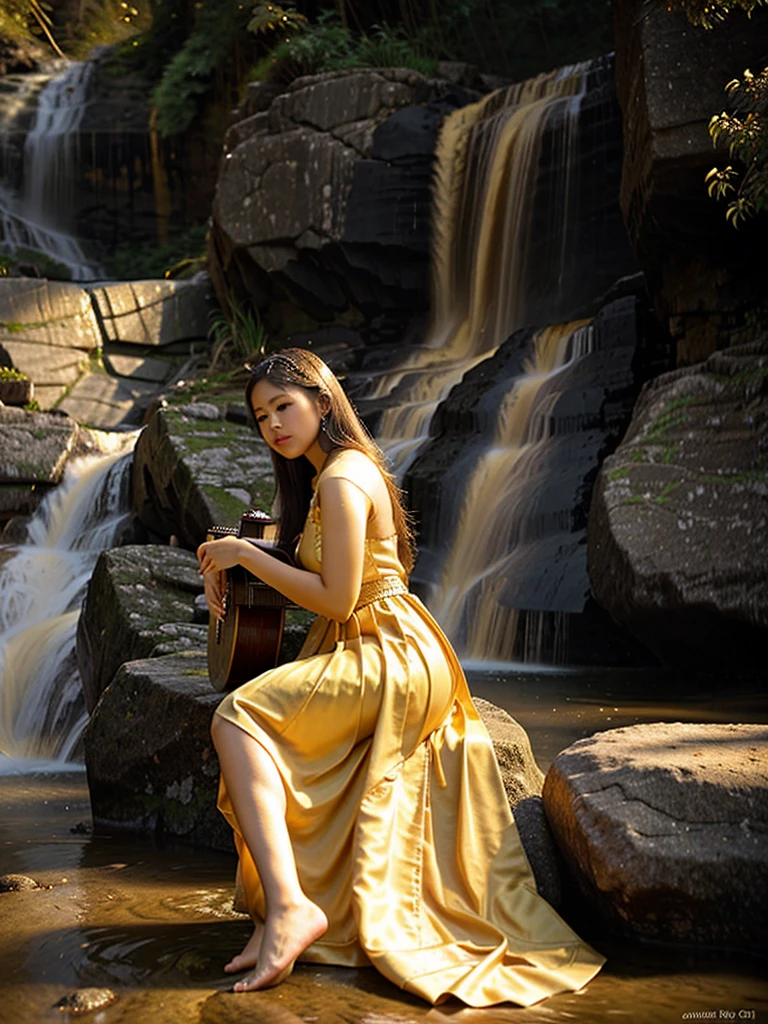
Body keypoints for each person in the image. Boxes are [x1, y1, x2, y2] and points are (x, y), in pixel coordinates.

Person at [196, 348, 606, 1007]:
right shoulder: (328, 474)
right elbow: (318, 570)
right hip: (373, 642)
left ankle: (292, 907)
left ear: (323, 402)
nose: (272, 423)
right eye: (260, 415)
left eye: (284, 406)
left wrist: (245, 553)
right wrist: (235, 558)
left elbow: (334, 596)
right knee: (260, 729)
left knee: (237, 719)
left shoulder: (342, 477)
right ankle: (284, 912)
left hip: (387, 649)